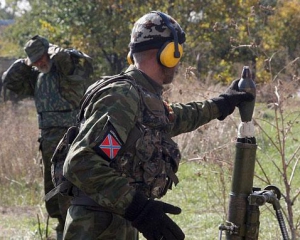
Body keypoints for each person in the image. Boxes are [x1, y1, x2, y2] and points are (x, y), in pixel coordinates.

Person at [62, 11, 254, 240]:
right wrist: (140, 209)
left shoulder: (140, 96)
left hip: (114, 221)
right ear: (168, 53)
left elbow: (174, 117)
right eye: (178, 52)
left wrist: (222, 104)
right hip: (96, 228)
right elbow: (80, 162)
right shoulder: (122, 95)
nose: (179, 60)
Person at [2, 35, 94, 239]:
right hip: (48, 140)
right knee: (52, 186)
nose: (40, 63)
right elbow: (9, 82)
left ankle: (75, 227)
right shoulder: (37, 76)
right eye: (35, 61)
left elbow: (65, 60)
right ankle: (62, 226)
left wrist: (53, 51)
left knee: (70, 182)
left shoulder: (65, 68)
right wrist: (24, 64)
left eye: (42, 57)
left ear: (49, 53)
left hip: (72, 136)